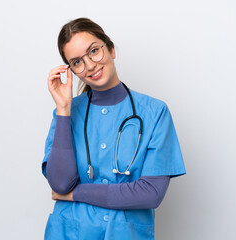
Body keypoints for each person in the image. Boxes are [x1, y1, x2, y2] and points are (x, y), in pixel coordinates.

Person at [42, 17, 186, 240]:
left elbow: (150, 194)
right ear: (71, 71)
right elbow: (60, 184)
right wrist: (63, 108)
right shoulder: (66, 114)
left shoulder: (155, 113)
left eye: (94, 51)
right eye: (77, 62)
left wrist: (76, 193)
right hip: (68, 233)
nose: (89, 65)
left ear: (110, 50)